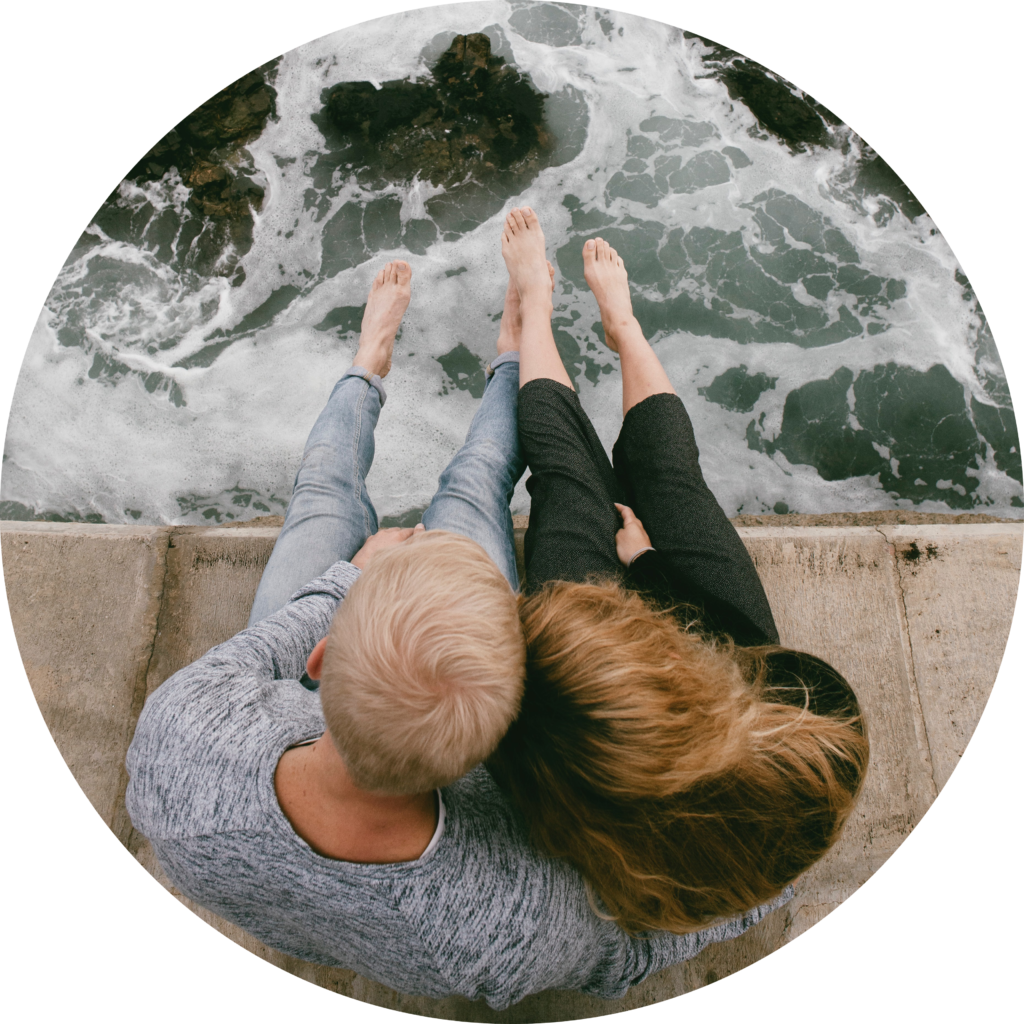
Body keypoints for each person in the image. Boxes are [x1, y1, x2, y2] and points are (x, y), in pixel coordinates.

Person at [125, 253, 788, 1011]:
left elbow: (252, 656)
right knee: (472, 481)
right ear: (500, 743)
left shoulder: (179, 737)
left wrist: (349, 582)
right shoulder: (513, 915)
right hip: (393, 711)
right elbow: (635, 948)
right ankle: (507, 357)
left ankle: (372, 361)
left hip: (318, 698)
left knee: (322, 500)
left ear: (320, 653)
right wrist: (774, 879)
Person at [487, 207, 869, 935]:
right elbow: (728, 642)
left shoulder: (568, 765)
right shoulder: (811, 730)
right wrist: (650, 566)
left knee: (568, 481)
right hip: (737, 653)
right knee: (671, 477)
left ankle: (535, 305)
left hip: (615, 715)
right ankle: (622, 329)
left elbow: (520, 753)